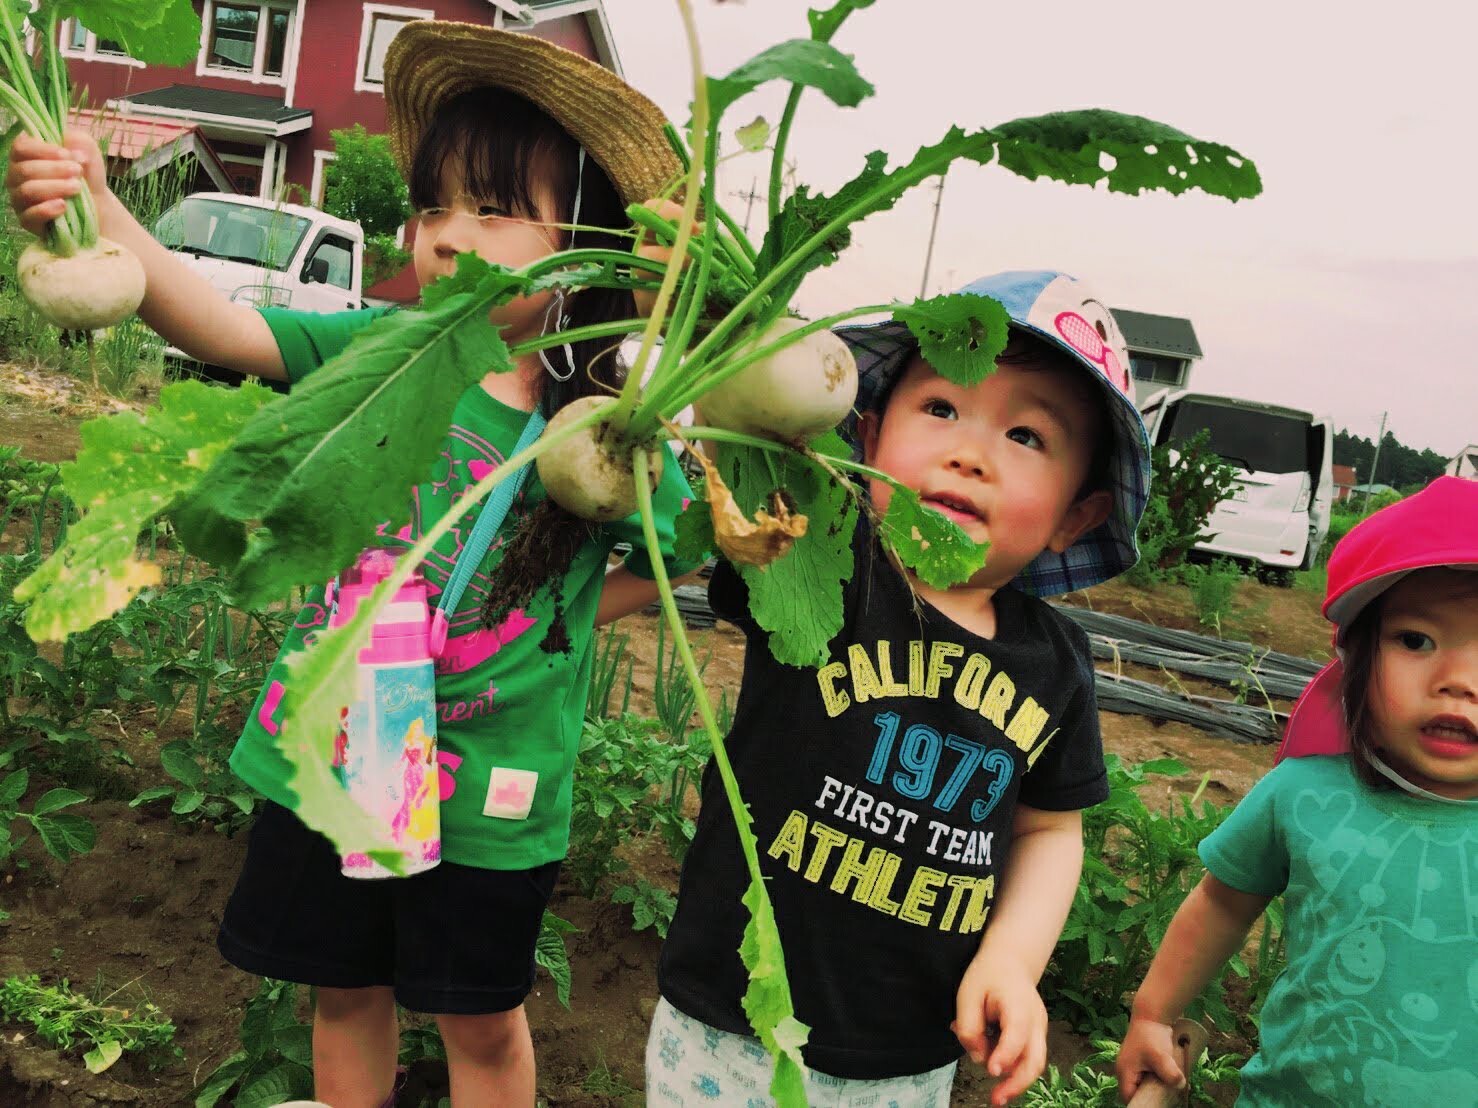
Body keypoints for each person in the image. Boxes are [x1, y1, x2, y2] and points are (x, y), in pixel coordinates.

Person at [8, 21, 695, 1108]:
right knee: (344, 988)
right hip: (342, 748)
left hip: (493, 801)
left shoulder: (606, 430)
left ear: (590, 245)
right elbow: (219, 323)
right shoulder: (381, 350)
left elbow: (688, 553)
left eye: (495, 209)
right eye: (435, 205)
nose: (445, 234)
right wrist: (101, 200)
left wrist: (545, 611)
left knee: (478, 1019)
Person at [651, 271, 1153, 1106]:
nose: (972, 452)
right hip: (731, 1022)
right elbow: (736, 441)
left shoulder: (1056, 664)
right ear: (872, 435)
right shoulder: (820, 553)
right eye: (943, 409)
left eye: (1027, 436)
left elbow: (1050, 834)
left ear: (1078, 515)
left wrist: (1011, 961)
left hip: (908, 1057)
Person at [1117, 476, 1478, 1106]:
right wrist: (1152, 1014)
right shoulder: (1306, 796)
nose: (1457, 681)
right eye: (1416, 641)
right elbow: (1222, 905)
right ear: (1358, 663)